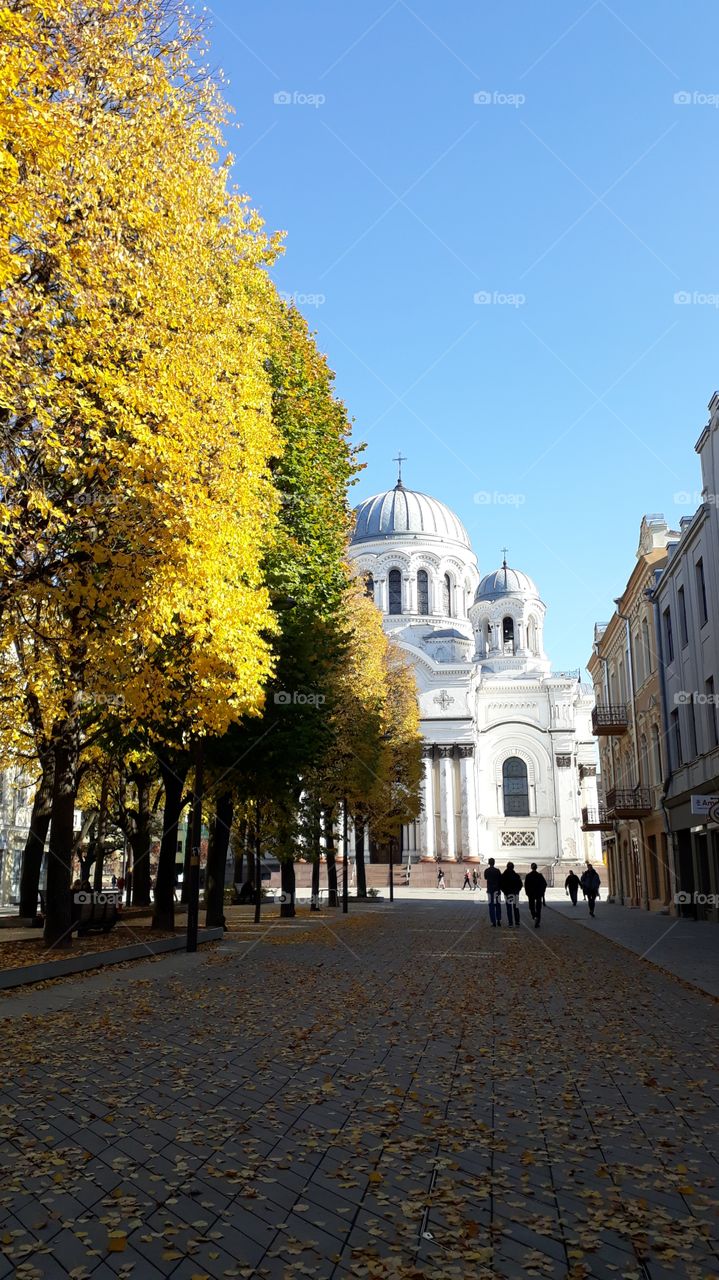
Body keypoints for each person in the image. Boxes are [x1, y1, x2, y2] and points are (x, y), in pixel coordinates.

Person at [524, 862, 547, 928]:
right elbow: (544, 884)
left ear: (531, 868)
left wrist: (527, 893)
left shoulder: (528, 876)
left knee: (531, 907)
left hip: (531, 894)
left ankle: (534, 916)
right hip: (538, 894)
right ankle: (537, 921)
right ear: (536, 868)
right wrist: (542, 892)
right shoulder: (539, 875)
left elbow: (526, 885)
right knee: (538, 908)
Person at [501, 861, 523, 927]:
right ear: (513, 867)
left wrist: (504, 891)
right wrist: (517, 891)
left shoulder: (504, 875)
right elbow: (520, 885)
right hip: (515, 893)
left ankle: (510, 923)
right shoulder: (516, 875)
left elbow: (501, 885)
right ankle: (517, 922)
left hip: (507, 894)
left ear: (507, 867)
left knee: (509, 908)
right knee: (516, 908)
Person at [484, 857, 502, 927]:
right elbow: (500, 879)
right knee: (498, 905)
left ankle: (493, 922)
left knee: (491, 906)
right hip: (497, 890)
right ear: (494, 863)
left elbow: (485, 878)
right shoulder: (497, 870)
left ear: (489, 863)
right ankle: (499, 920)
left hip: (490, 890)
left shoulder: (487, 870)